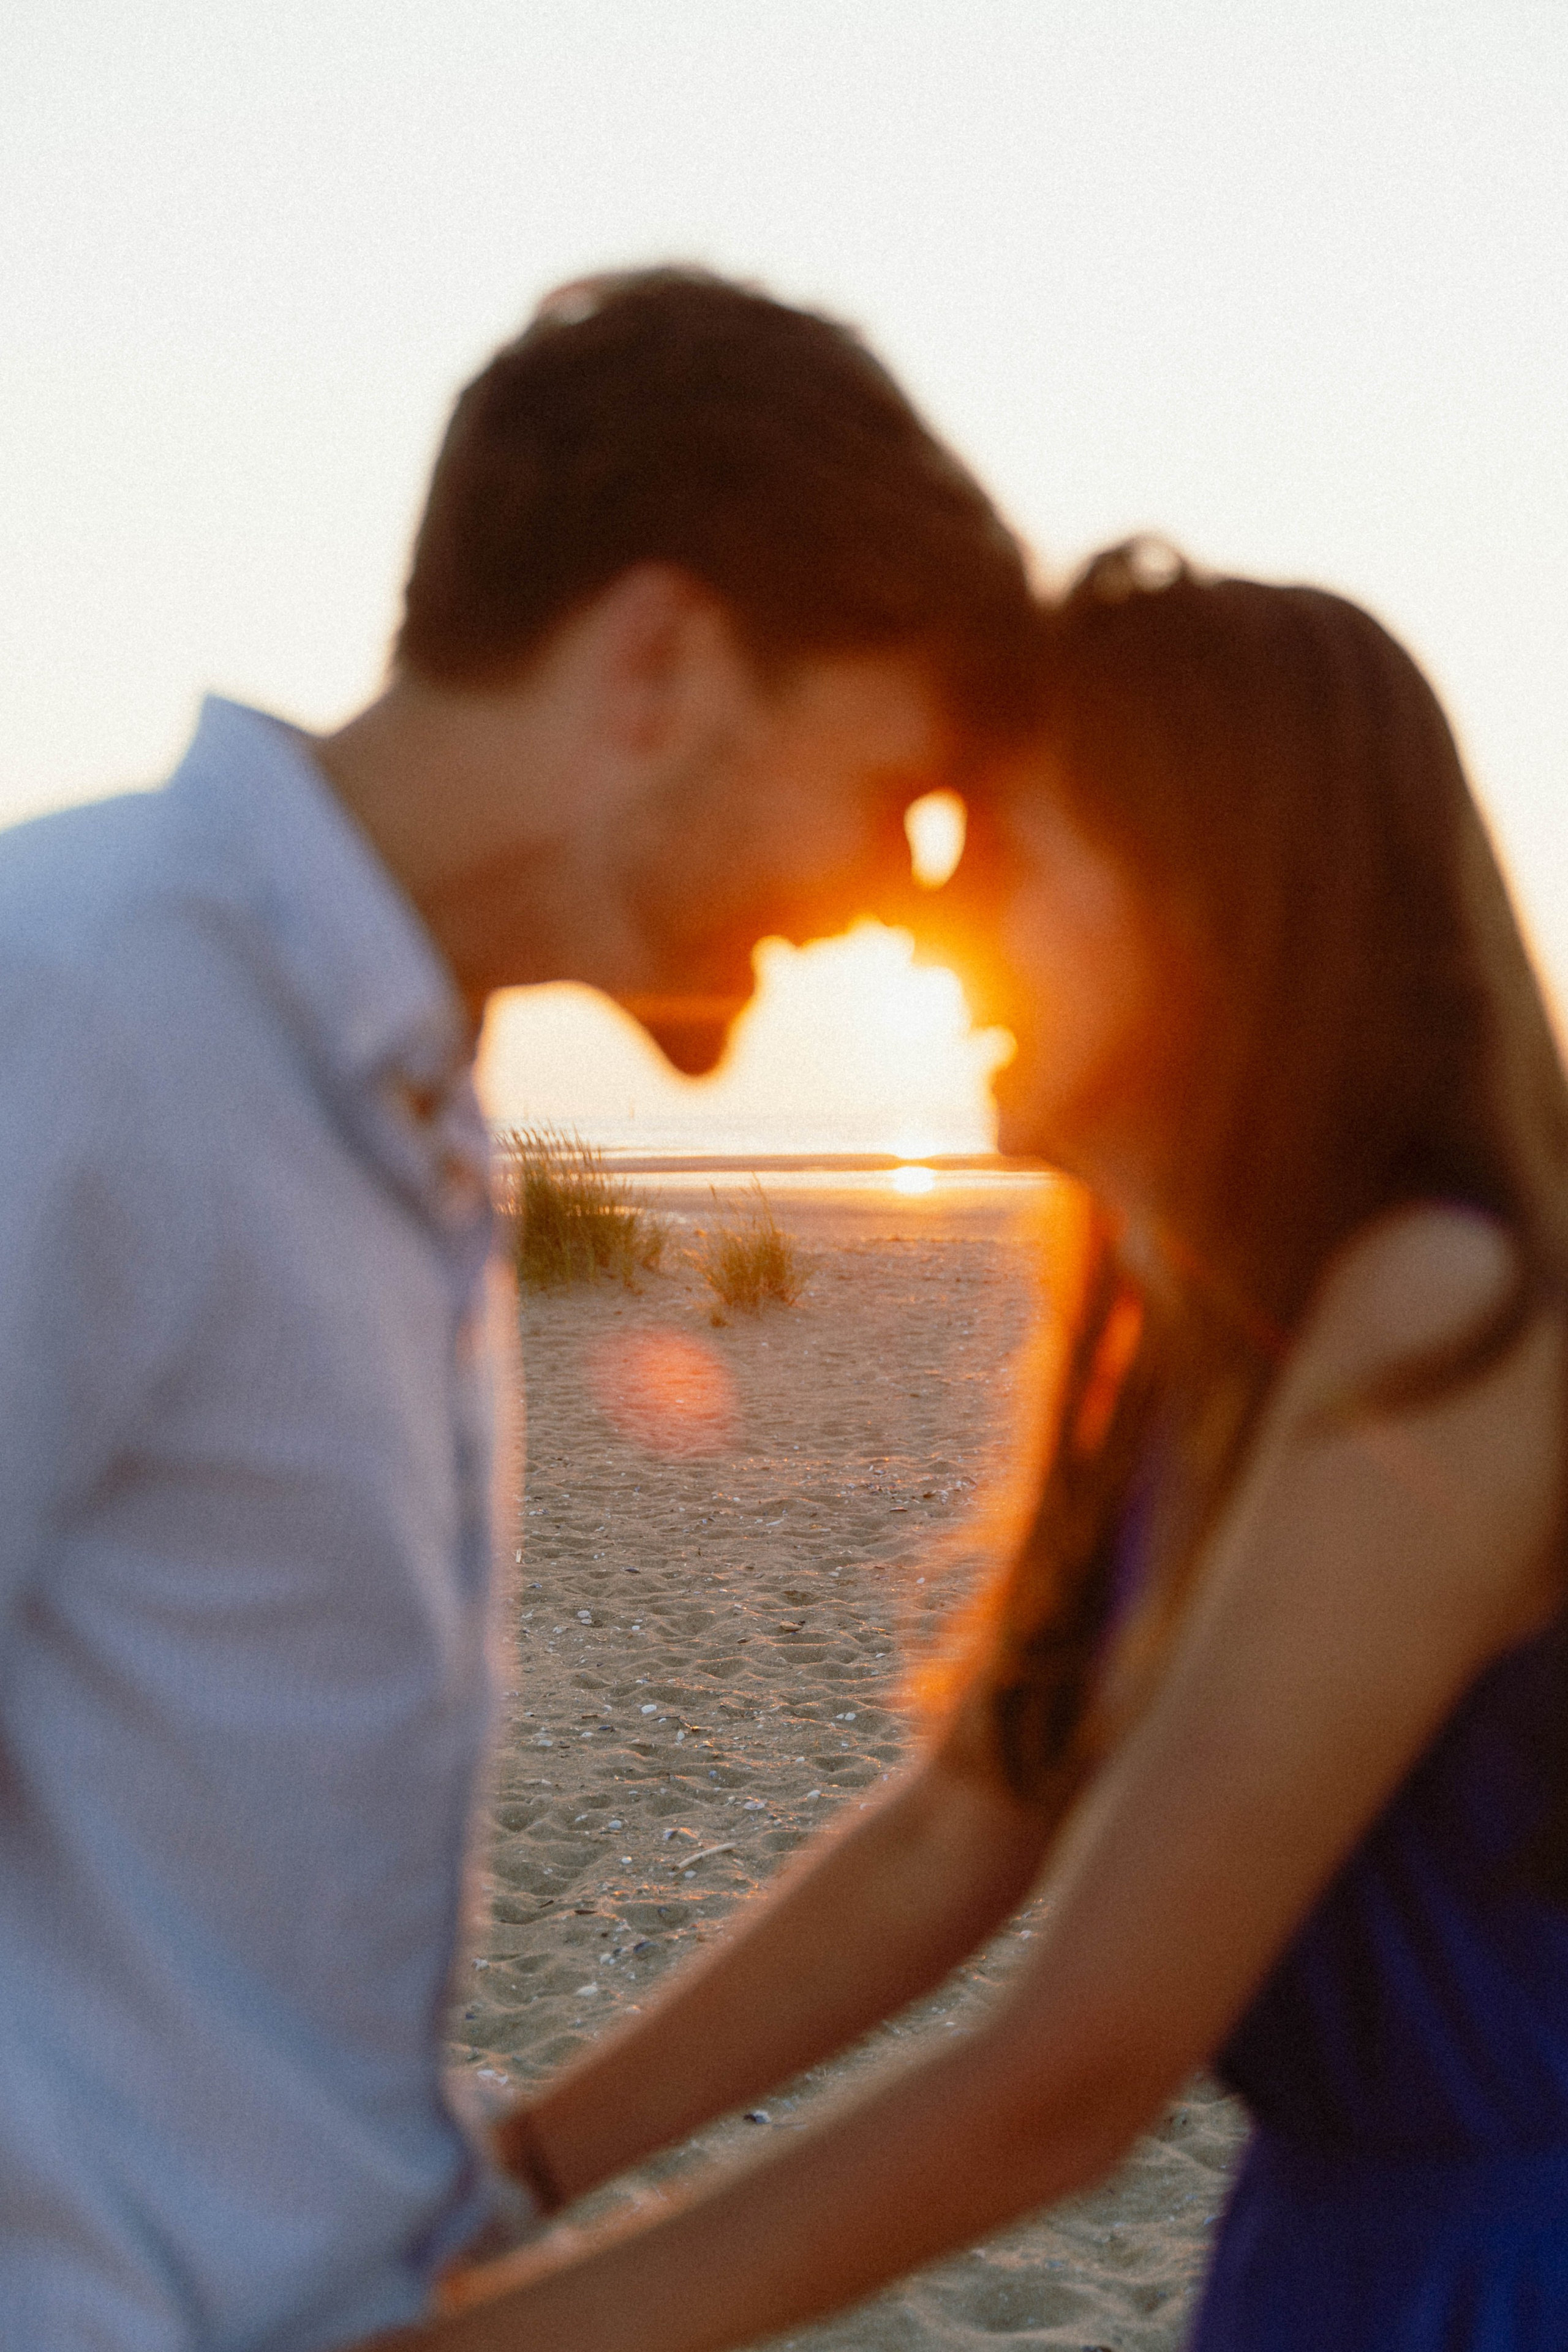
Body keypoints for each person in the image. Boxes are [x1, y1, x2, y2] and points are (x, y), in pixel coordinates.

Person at [0, 268, 1042, 2351]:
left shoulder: (406, 1092)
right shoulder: (84, 1004)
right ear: (661, 657)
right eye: (881, 786)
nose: (874, 894)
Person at [382, 543, 1568, 2351]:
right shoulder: (1185, 1343)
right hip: (1330, 2269)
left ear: (1209, 893)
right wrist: (514, 2168)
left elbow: (1071, 2076)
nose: (946, 940)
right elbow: (959, 1829)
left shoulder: (1444, 1312)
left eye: (1008, 860)